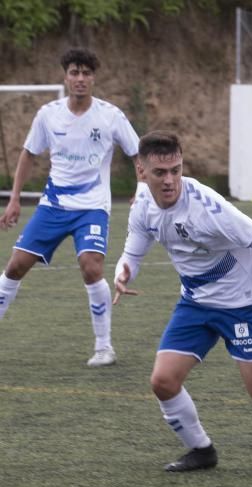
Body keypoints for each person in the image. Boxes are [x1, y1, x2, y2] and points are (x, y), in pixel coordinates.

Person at [113, 131, 252, 472]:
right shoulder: (143, 207)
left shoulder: (208, 207)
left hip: (240, 303)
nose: (169, 180)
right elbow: (132, 254)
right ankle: (202, 450)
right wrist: (122, 275)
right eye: (160, 173)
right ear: (141, 171)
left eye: (176, 170)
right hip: (194, 303)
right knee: (162, 382)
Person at [0, 48, 139, 367]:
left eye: (86, 73)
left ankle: (104, 347)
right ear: (65, 77)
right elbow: (28, 154)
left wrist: (140, 188)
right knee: (15, 266)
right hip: (53, 206)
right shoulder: (48, 114)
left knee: (91, 267)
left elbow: (137, 152)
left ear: (93, 78)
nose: (80, 78)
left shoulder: (110, 115)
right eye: (74, 72)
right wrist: (15, 198)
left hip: (91, 208)